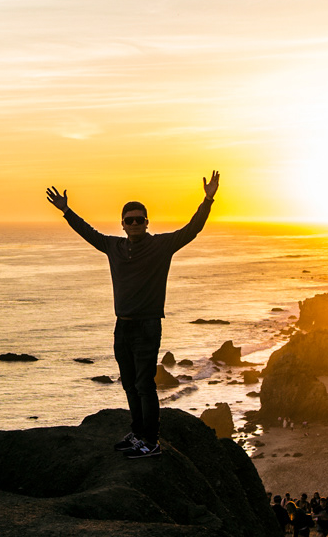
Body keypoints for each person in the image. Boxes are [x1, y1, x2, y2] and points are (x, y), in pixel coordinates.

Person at [46, 171, 219, 458]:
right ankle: (138, 433)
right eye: (130, 220)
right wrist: (66, 210)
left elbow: (193, 229)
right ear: (123, 225)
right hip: (122, 326)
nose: (136, 224)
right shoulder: (114, 246)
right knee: (129, 383)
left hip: (148, 326)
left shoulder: (161, 246)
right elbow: (88, 232)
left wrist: (208, 198)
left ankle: (150, 441)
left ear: (147, 223)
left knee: (144, 384)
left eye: (140, 219)